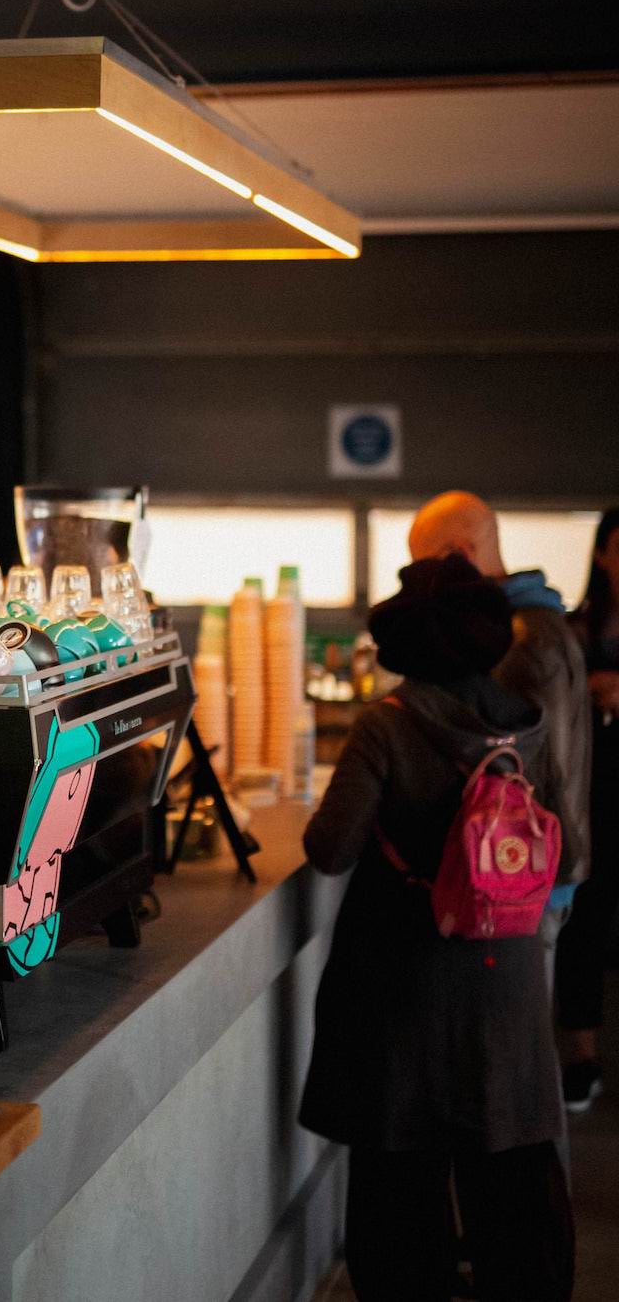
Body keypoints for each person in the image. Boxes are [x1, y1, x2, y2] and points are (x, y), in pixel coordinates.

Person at [300, 555, 574, 1302]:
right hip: (506, 984)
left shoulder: (386, 727)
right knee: (514, 1191)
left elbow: (330, 849)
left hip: (403, 991)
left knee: (400, 1202)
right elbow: (563, 841)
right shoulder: (529, 726)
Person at [409, 492, 592, 934]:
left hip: (528, 866)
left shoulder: (521, 636)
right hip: (532, 859)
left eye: (428, 567)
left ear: (460, 554)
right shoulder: (526, 625)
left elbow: (516, 757)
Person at [555, 507, 619, 1111]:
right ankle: (581, 1058)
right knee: (585, 925)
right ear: (602, 554)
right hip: (592, 800)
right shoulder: (575, 631)